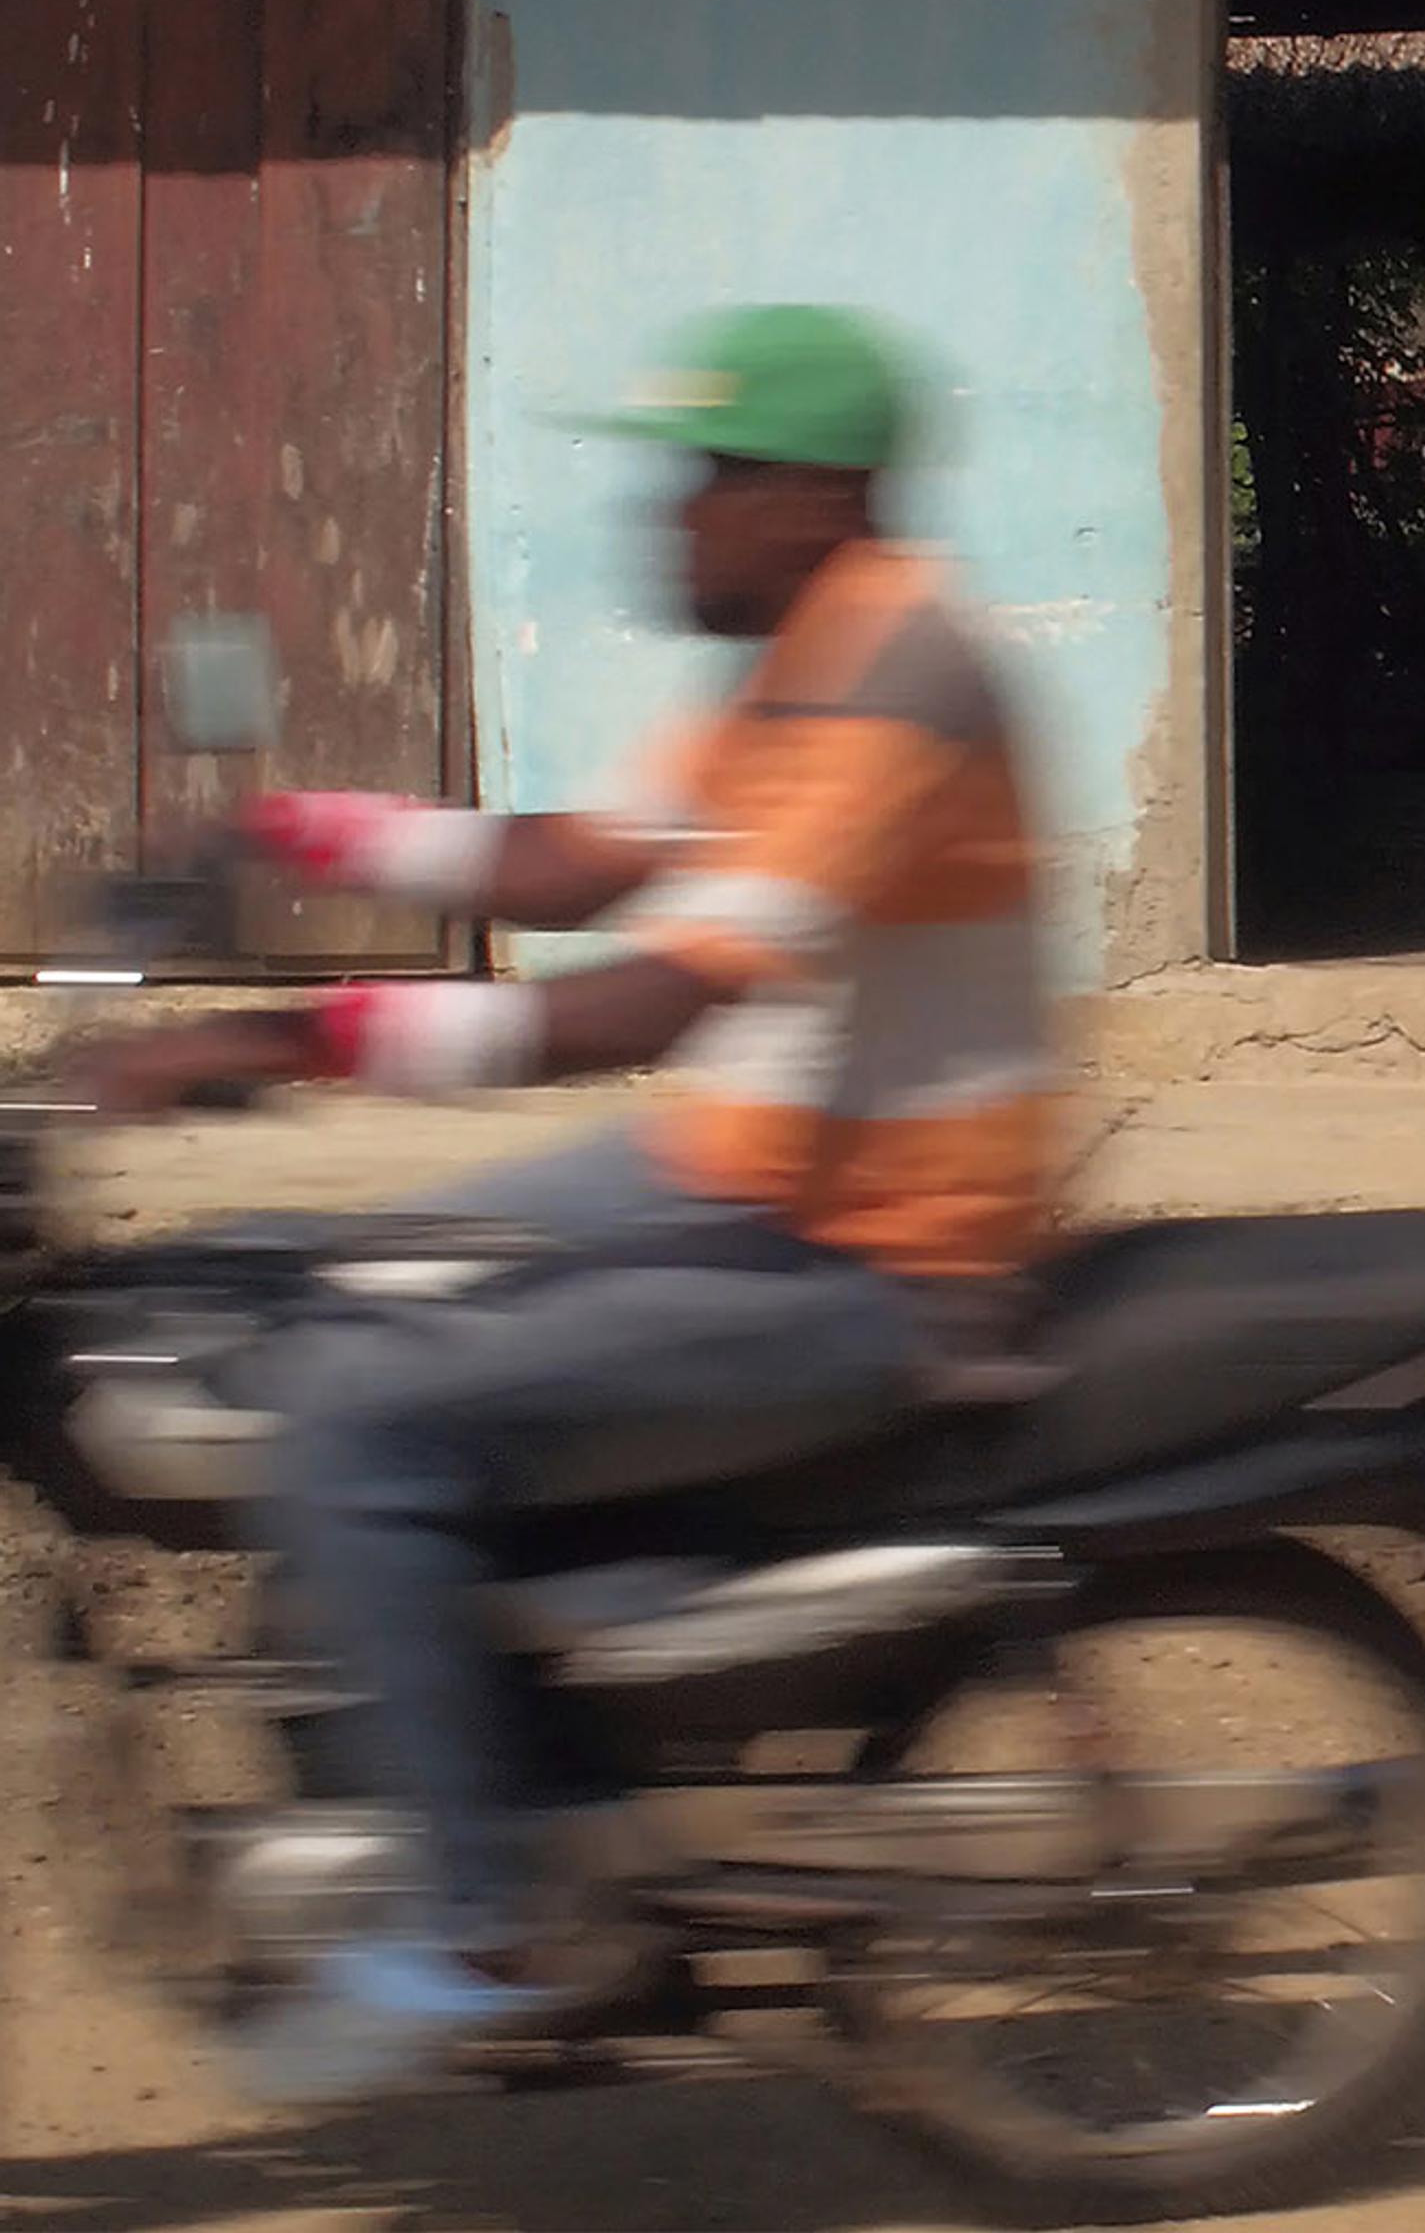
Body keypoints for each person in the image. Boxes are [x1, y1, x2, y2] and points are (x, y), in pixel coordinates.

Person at [70, 303, 1054, 2102]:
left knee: (352, 1425)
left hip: (868, 1256)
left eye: (706, 483)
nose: (670, 518)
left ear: (811, 491)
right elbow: (567, 859)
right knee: (299, 1291)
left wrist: (288, 1042)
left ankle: (498, 1920)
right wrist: (283, 837)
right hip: (738, 1177)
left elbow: (647, 999)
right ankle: (506, 1712)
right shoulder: (802, 658)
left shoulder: (905, 675)